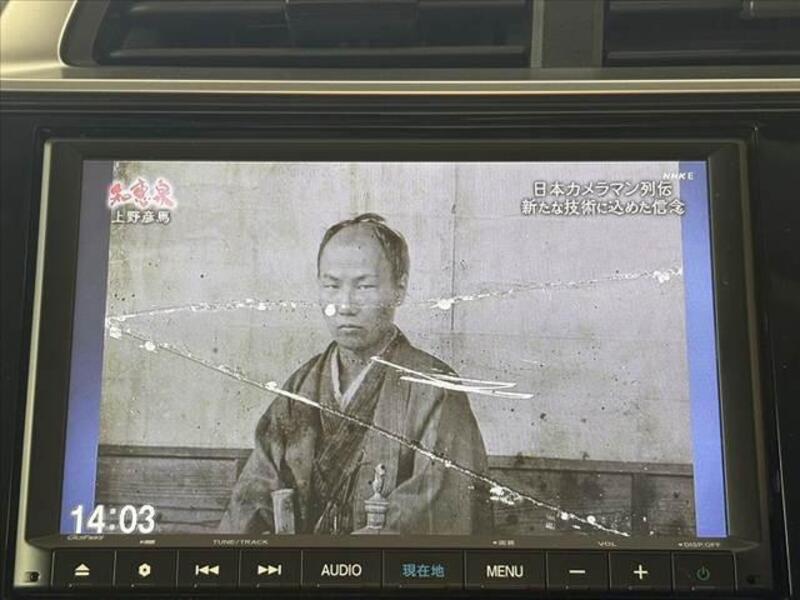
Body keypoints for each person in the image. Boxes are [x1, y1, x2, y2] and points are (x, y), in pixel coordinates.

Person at [218, 213, 492, 535]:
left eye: (364, 286)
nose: (345, 305)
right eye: (331, 286)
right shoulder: (300, 386)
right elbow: (252, 500)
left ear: (399, 289)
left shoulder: (434, 388)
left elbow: (441, 508)